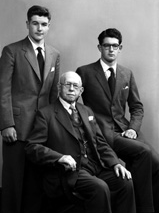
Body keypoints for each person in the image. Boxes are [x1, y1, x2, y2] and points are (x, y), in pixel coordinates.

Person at [25, 71, 136, 213]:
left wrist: (115, 163)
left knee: (125, 182)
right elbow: (32, 147)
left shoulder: (86, 111)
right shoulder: (46, 114)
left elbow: (100, 142)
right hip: (70, 172)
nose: (71, 89)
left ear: (81, 91)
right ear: (59, 87)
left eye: (76, 86)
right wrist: (59, 157)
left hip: (95, 165)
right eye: (67, 85)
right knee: (100, 188)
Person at [76, 28, 159, 213]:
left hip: (125, 128)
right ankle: (145, 209)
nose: (111, 50)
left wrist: (133, 129)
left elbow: (137, 107)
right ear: (99, 47)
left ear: (120, 48)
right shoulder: (85, 72)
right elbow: (73, 101)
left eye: (115, 46)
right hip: (102, 132)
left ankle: (139, 204)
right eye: (107, 46)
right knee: (143, 153)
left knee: (155, 163)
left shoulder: (126, 74)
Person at [0, 5, 60, 213]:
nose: (39, 28)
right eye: (35, 23)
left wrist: (54, 126)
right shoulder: (12, 51)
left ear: (49, 26)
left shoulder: (54, 54)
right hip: (16, 128)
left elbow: (53, 94)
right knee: (13, 183)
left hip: (41, 129)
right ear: (27, 24)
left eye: (44, 24)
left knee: (36, 184)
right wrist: (6, 123)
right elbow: (3, 89)